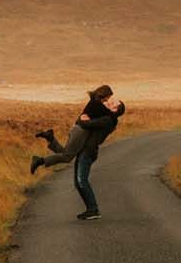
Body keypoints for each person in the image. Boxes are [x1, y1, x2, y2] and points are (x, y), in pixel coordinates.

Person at [29, 83, 126, 219]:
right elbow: (93, 111)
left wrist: (81, 120)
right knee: (69, 159)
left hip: (88, 151)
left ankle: (93, 209)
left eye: (115, 104)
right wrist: (84, 118)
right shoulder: (106, 115)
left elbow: (89, 123)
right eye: (110, 100)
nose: (110, 102)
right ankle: (49, 141)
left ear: (116, 110)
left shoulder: (109, 119)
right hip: (84, 147)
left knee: (80, 178)